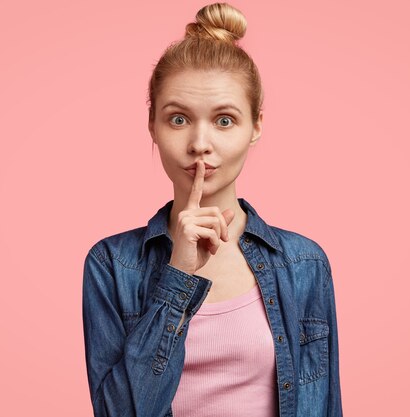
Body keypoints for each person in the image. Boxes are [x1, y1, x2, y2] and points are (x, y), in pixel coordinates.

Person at [82, 3, 343, 416]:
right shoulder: (112, 264)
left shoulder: (305, 263)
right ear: (152, 124)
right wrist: (178, 279)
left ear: (255, 126)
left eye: (224, 121)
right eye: (179, 119)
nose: (200, 143)